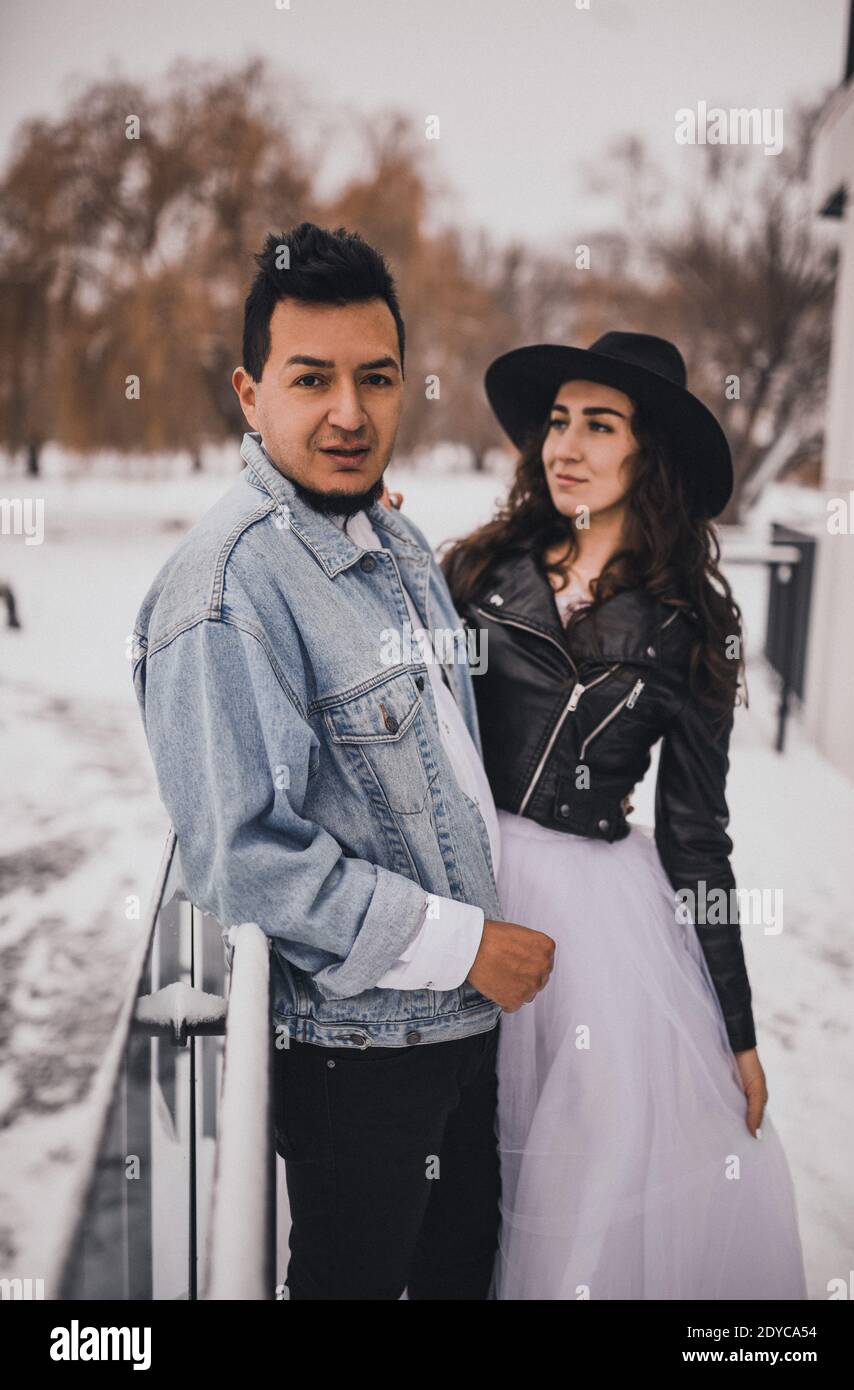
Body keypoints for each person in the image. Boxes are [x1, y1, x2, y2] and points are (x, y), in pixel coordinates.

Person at [130, 222, 553, 1300]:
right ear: (248, 391)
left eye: (377, 378)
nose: (350, 414)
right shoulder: (221, 591)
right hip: (359, 1055)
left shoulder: (392, 539)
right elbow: (245, 860)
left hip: (459, 1029)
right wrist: (465, 945)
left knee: (463, 1276)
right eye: (310, 379)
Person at [438, 333, 808, 1299]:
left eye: (598, 425)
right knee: (451, 1157)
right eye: (557, 422)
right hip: (465, 889)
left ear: (649, 457)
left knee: (573, 1175)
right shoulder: (475, 575)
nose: (565, 444)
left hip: (595, 932)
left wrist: (735, 1029)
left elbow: (696, 837)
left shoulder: (690, 623)